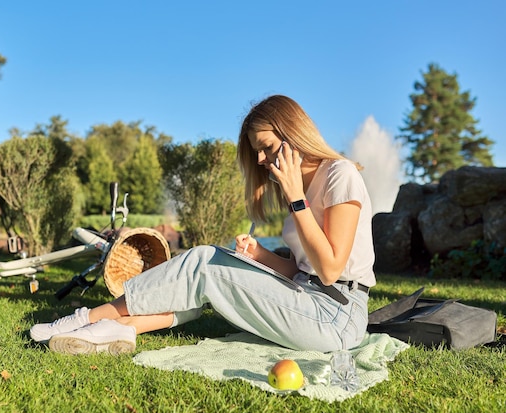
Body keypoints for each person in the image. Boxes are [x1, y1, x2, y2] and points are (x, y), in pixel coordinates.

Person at [30, 94, 375, 354]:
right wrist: (259, 255)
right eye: (256, 151)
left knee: (203, 264)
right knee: (200, 278)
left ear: (293, 133)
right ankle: (116, 328)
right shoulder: (298, 189)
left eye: (265, 147)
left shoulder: (338, 175)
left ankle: (87, 318)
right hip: (305, 298)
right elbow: (299, 271)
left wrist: (297, 198)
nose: (259, 159)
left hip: (336, 316)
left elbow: (330, 271)